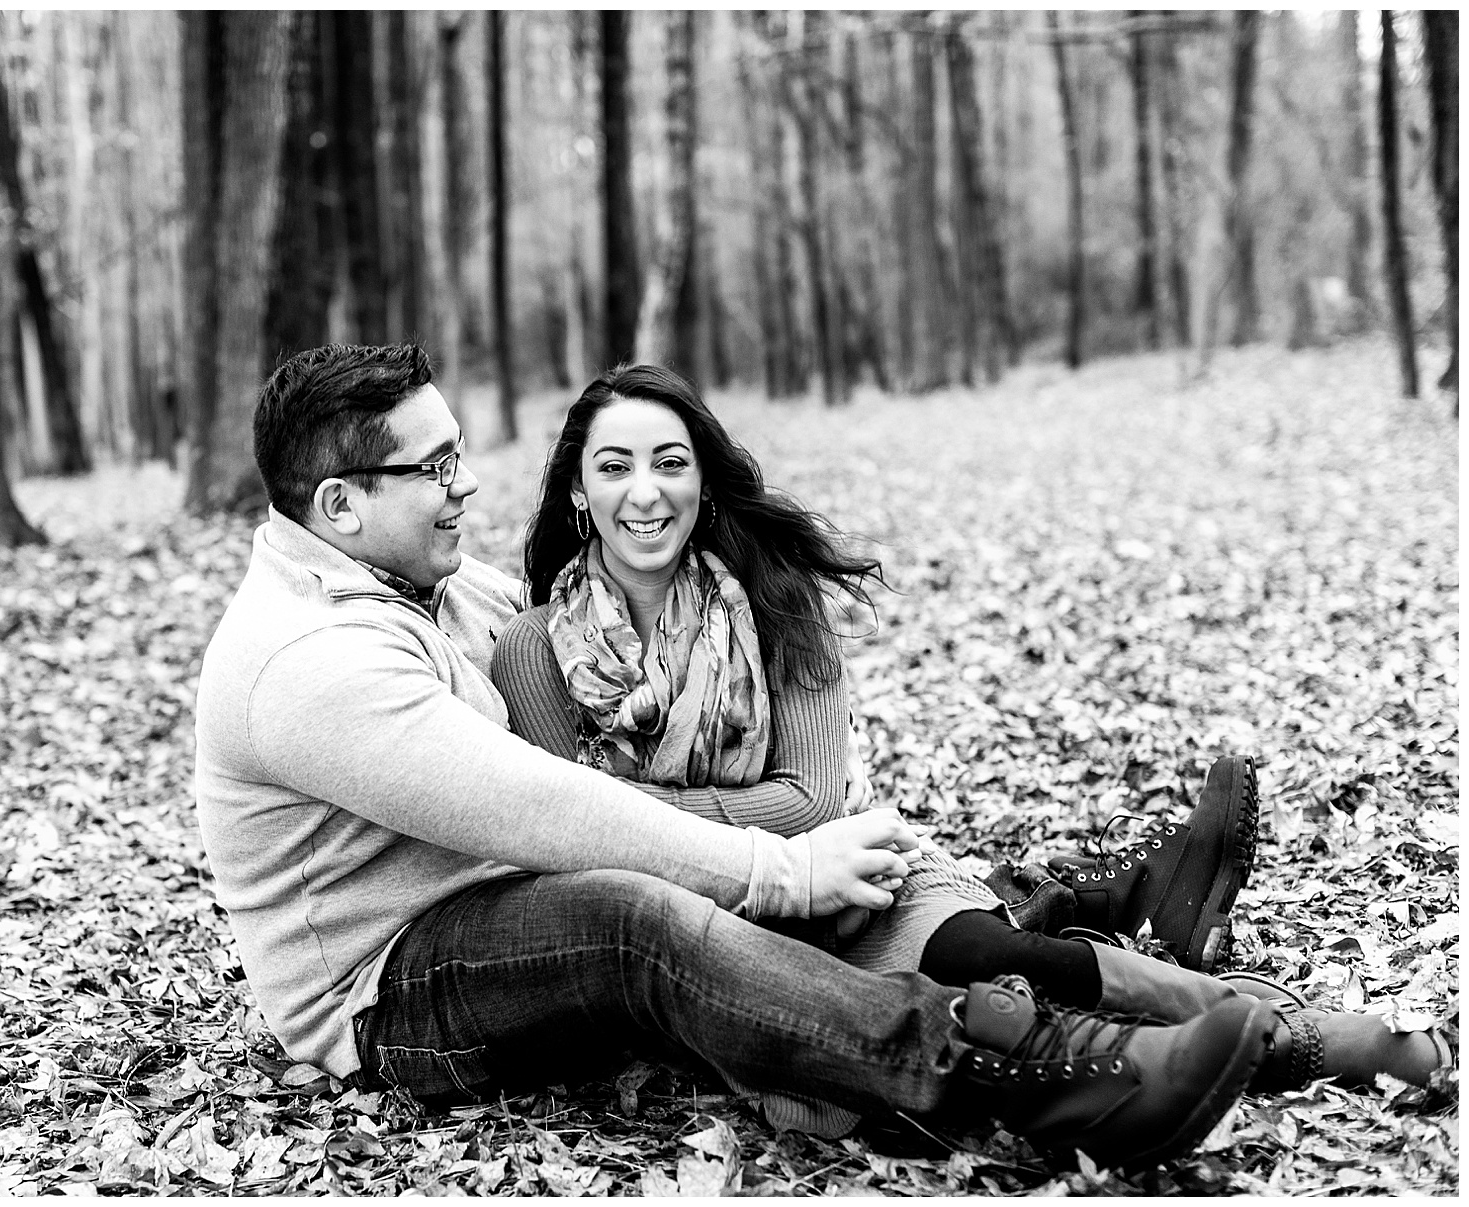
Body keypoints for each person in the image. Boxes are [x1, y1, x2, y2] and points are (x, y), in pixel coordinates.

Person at [193, 342, 1283, 1175]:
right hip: (387, 990)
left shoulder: (418, 587)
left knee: (768, 893)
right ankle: (1035, 1072)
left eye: (457, 450)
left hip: (495, 911)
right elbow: (532, 804)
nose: (466, 483)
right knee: (634, 915)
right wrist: (780, 868)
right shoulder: (308, 661)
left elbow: (578, 656)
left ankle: (1075, 928)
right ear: (341, 505)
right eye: (432, 465)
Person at [489, 363, 1451, 1135]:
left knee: (995, 953)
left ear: (703, 478)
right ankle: (1154, 976)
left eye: (669, 461)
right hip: (705, 939)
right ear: (578, 489)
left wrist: (642, 820)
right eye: (614, 466)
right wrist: (717, 846)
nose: (644, 492)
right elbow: (567, 843)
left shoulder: (777, 605)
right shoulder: (533, 651)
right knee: (980, 1020)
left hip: (848, 883)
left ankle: (1310, 1035)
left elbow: (812, 802)